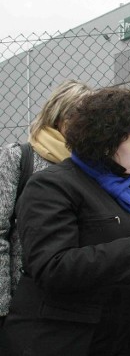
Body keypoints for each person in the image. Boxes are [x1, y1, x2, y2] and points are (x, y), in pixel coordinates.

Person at [0, 88, 130, 356]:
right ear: (107, 142)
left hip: (118, 333)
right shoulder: (50, 186)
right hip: (63, 338)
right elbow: (53, 267)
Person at [0, 79, 92, 327]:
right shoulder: (19, 157)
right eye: (76, 116)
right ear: (58, 116)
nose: (82, 126)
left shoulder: (90, 165)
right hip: (25, 300)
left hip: (73, 301)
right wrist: (4, 305)